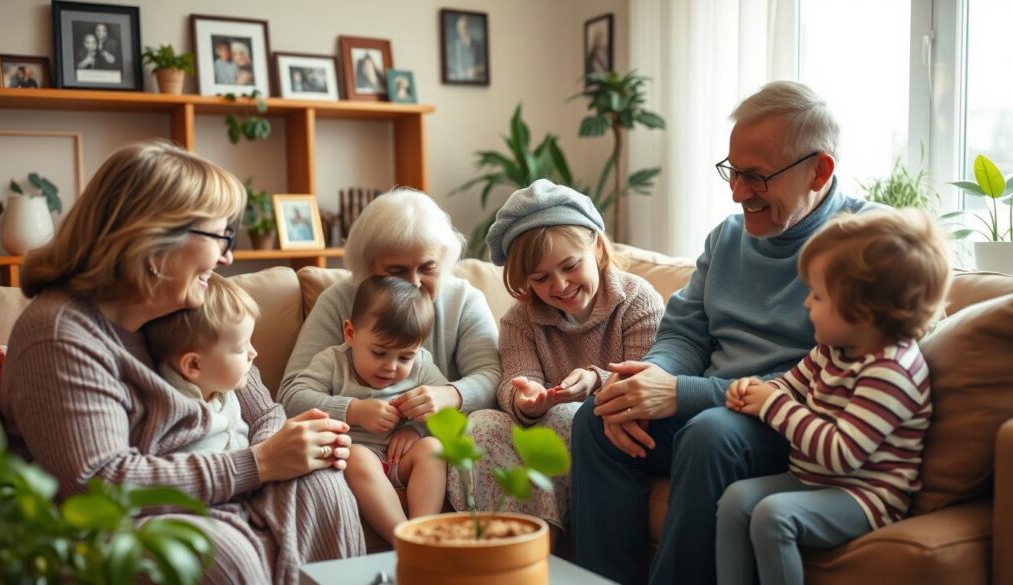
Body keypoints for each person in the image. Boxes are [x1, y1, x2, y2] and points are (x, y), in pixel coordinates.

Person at [0, 141, 364, 585]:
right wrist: (260, 464)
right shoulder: (60, 334)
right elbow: (97, 481)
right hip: (108, 523)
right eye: (219, 237)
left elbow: (264, 412)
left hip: (213, 484)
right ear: (155, 241)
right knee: (216, 557)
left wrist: (290, 452)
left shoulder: (183, 308)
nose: (227, 257)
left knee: (323, 487)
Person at [570, 80, 878, 585]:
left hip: (796, 418)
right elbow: (686, 333)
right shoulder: (728, 236)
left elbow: (831, 370)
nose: (736, 193)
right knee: (598, 415)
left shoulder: (867, 245)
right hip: (708, 406)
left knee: (710, 436)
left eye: (755, 177)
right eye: (732, 173)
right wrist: (650, 377)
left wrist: (680, 394)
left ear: (819, 170)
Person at [717, 209, 950, 585]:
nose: (807, 304)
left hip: (867, 496)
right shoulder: (833, 347)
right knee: (735, 500)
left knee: (774, 516)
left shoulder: (892, 371)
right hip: (813, 480)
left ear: (862, 311)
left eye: (818, 295)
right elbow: (791, 384)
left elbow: (842, 453)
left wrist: (773, 406)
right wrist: (756, 390)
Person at [453, 179, 663, 540]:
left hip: (608, 432)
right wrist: (527, 398)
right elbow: (515, 381)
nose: (560, 285)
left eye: (570, 266)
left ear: (596, 247)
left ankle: (540, 541)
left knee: (570, 414)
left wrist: (595, 381)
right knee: (481, 423)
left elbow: (646, 379)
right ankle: (499, 540)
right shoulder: (520, 320)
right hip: (540, 428)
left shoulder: (637, 300)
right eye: (541, 277)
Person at [279, 188, 500, 431]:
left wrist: (451, 395)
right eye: (396, 270)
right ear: (367, 265)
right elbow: (291, 393)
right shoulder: (338, 301)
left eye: (428, 268)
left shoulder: (464, 299)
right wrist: (351, 410)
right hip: (357, 447)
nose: (414, 282)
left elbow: (492, 375)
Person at [288, 276, 447, 544]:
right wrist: (354, 410)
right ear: (350, 334)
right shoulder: (332, 362)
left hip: (401, 461)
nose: (391, 366)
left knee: (433, 449)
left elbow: (446, 413)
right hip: (355, 459)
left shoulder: (421, 365)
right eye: (379, 352)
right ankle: (405, 542)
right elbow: (292, 398)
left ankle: (424, 534)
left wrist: (416, 430)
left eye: (405, 357)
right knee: (358, 456)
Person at [143, 274, 259, 455]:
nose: (253, 353)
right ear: (194, 365)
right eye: (240, 348)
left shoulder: (219, 386)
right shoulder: (178, 419)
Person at [448, 15, 486, 81]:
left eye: (465, 27)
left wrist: (477, 69)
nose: (462, 31)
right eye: (460, 28)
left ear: (469, 28)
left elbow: (485, 65)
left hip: (474, 81)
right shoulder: (452, 47)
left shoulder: (479, 45)